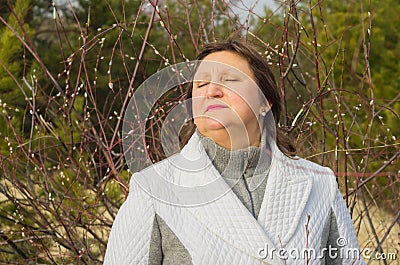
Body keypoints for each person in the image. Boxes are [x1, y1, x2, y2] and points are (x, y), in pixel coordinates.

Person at [104, 38, 366, 265]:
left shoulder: (319, 184)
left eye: (229, 80)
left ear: (265, 101)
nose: (212, 91)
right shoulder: (154, 189)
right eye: (201, 85)